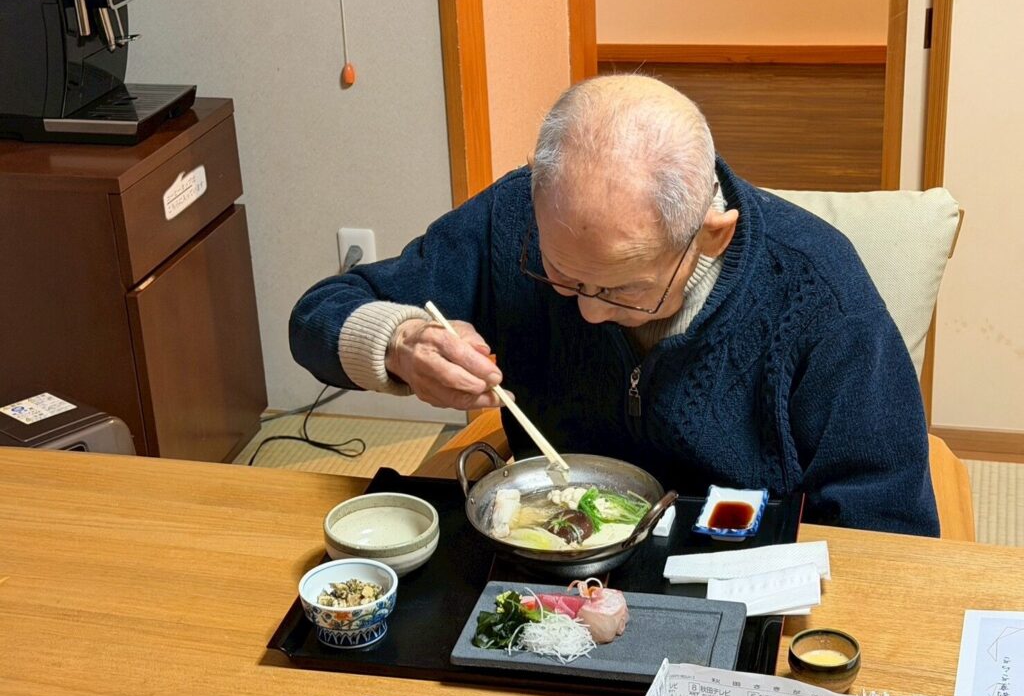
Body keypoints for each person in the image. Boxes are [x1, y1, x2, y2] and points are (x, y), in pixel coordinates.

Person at [289, 75, 939, 536]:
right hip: (555, 552)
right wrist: (400, 343)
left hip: (737, 570)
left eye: (623, 289)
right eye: (561, 276)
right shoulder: (512, 218)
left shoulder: (819, 293)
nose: (590, 314)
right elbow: (318, 316)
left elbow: (890, 528)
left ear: (712, 234)